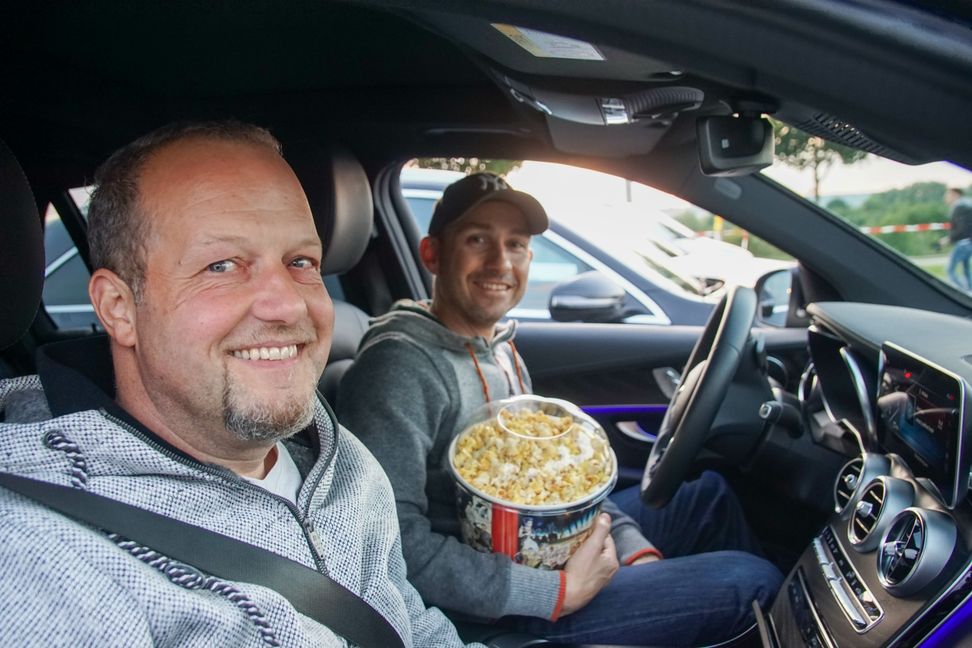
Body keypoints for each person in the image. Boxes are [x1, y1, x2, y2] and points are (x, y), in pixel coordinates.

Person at [0, 122, 477, 647]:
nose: (288, 305)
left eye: (300, 262)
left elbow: (414, 631)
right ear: (119, 308)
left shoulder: (344, 464)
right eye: (221, 266)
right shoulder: (42, 553)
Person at [338, 172, 783, 646]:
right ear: (432, 253)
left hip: (544, 543)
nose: (499, 262)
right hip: (495, 612)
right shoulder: (398, 367)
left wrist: (632, 550)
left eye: (516, 244)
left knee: (708, 497)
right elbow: (391, 542)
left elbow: (565, 481)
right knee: (750, 582)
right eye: (477, 239)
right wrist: (554, 592)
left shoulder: (500, 349)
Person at [944, 187, 972, 290]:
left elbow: (962, 228)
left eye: (948, 195)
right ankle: (969, 291)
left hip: (964, 243)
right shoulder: (968, 206)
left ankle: (963, 293)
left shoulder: (959, 208)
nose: (946, 198)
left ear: (955, 195)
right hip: (969, 242)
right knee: (966, 269)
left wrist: (949, 239)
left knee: (950, 270)